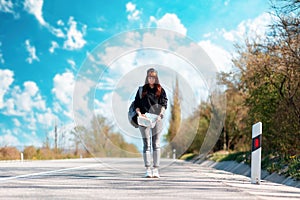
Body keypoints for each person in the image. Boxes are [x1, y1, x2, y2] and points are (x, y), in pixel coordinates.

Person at [134, 68, 168, 178]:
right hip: (144, 119)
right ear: (147, 77)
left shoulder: (160, 90)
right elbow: (136, 105)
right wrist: (139, 114)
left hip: (156, 119)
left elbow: (164, 105)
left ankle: (156, 169)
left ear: (156, 78)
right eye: (149, 77)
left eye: (153, 77)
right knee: (146, 144)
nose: (151, 79)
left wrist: (160, 115)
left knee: (156, 144)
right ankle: (148, 169)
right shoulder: (141, 90)